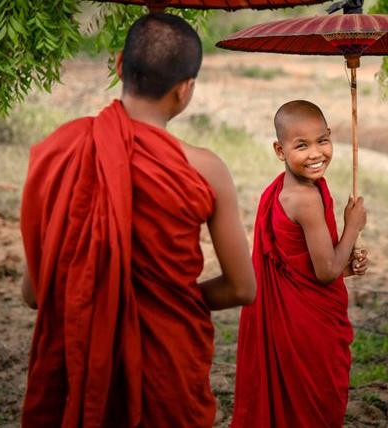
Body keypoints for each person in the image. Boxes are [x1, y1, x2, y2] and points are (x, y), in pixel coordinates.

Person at [18, 13, 256, 428]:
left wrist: (102, 295)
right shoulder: (206, 169)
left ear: (117, 65)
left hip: (80, 357)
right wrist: (169, 299)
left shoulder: (61, 151)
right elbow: (242, 287)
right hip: (168, 366)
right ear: (185, 91)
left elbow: (35, 293)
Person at [231, 100, 368, 428]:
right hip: (306, 328)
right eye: (301, 145)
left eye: (322, 140)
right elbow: (325, 272)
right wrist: (353, 226)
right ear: (280, 150)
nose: (316, 153)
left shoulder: (281, 188)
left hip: (289, 315)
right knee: (313, 407)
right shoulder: (306, 199)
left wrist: (345, 263)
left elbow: (302, 264)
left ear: (331, 136)